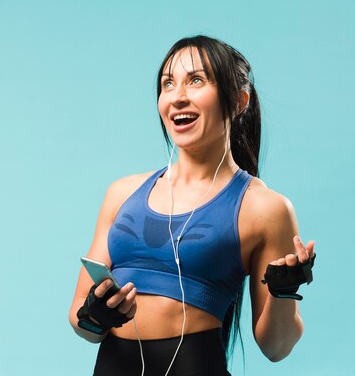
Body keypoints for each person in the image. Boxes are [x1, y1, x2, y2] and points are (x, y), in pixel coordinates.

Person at [68, 35, 316, 376]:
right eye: (168, 83)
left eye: (196, 80)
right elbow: (81, 324)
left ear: (238, 101)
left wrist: (284, 290)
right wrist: (95, 316)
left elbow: (276, 348)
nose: (177, 96)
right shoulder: (122, 193)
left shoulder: (264, 208)